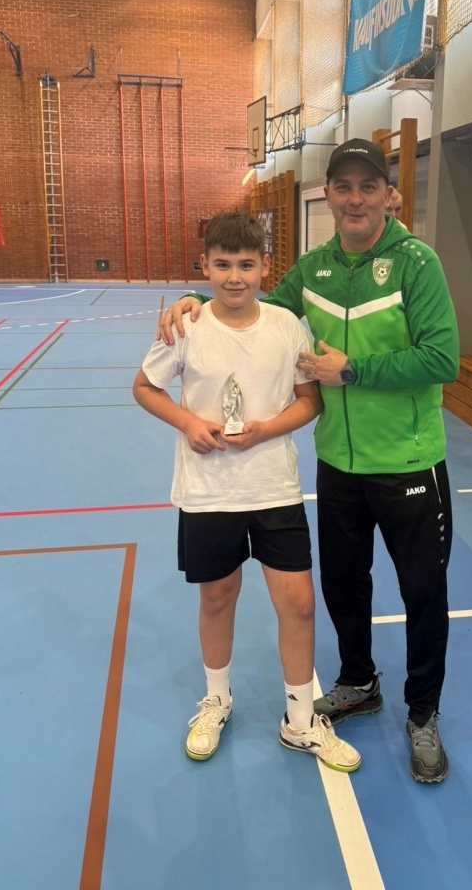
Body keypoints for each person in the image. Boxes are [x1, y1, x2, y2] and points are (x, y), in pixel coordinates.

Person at [159, 140, 460, 783]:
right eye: (343, 187)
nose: (355, 199)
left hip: (408, 460)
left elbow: (443, 358)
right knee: (344, 587)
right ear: (329, 195)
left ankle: (423, 714)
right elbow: (249, 298)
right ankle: (358, 682)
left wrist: (352, 370)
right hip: (338, 464)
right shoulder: (315, 270)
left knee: (422, 592)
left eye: (368, 186)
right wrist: (190, 297)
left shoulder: (417, 263)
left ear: (388, 194)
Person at [134, 211, 361, 773]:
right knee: (217, 597)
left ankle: (300, 720)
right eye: (222, 265)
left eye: (245, 265)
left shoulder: (286, 326)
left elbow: (309, 400)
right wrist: (189, 422)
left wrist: (266, 429)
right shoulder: (187, 326)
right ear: (204, 266)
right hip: (209, 493)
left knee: (298, 603)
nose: (234, 277)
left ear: (265, 266)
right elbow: (145, 387)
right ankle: (216, 700)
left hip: (274, 489)